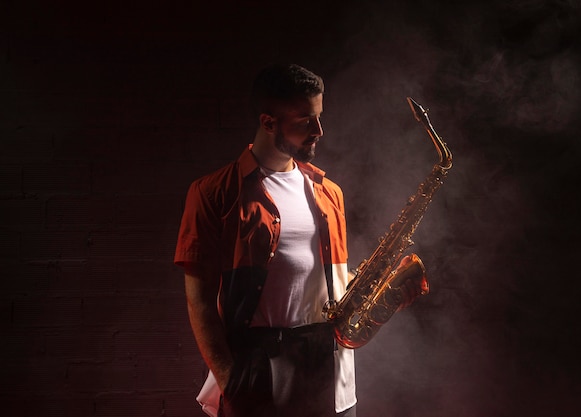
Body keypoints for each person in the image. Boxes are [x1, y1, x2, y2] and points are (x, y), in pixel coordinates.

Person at [174, 63, 426, 417]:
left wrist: (387, 293)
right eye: (305, 120)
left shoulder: (329, 193)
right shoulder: (213, 193)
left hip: (332, 368)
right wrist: (231, 381)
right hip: (261, 370)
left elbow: (329, 288)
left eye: (320, 117)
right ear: (267, 122)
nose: (319, 130)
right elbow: (198, 302)